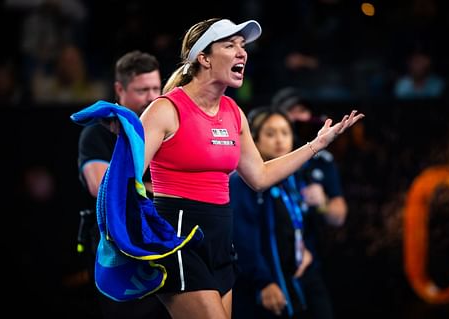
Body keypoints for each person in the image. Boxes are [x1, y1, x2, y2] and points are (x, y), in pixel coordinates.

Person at [139, 17, 364, 319]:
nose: (242, 52)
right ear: (203, 58)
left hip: (220, 242)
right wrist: (128, 239)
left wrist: (315, 146)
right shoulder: (165, 109)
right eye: (230, 45)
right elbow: (123, 179)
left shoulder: (234, 113)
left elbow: (259, 176)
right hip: (177, 240)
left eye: (243, 46)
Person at [76, 50, 169, 319]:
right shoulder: (97, 132)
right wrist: (163, 189)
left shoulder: (166, 129)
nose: (152, 97)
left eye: (156, 88)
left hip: (160, 245)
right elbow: (102, 187)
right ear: (120, 89)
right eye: (143, 90)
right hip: (119, 250)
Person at [271, 87, 349, 319]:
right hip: (272, 267)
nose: (299, 118)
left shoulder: (321, 160)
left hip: (310, 263)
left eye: (303, 111)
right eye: (291, 112)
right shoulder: (262, 164)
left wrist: (323, 202)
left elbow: (339, 216)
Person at [229, 107, 314, 318]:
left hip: (288, 280)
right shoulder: (242, 181)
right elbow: (242, 237)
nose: (279, 140)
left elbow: (296, 224)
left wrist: (304, 249)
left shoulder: (290, 179)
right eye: (270, 133)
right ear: (254, 140)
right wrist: (264, 282)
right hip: (257, 288)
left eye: (285, 133)